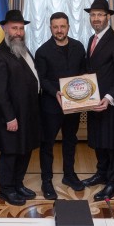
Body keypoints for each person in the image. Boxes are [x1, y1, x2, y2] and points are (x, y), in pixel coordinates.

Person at [0, 9, 41, 206]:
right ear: (5, 29)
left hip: (28, 113)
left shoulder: (22, 49)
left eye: (21, 28)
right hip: (12, 116)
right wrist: (9, 117)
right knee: (11, 153)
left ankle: (18, 184)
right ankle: (6, 189)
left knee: (25, 150)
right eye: (14, 28)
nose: (18, 32)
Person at [80, 0, 114, 201]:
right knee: (99, 141)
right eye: (93, 15)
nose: (96, 18)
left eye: (100, 14)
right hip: (94, 102)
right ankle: (102, 173)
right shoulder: (92, 39)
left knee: (112, 144)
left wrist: (109, 97)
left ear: (108, 17)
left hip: (110, 103)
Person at [34, 12, 86, 197]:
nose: (59, 30)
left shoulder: (79, 47)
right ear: (50, 28)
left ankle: (69, 175)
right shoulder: (42, 51)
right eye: (55, 27)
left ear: (68, 27)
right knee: (47, 143)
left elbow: (83, 73)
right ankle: (46, 180)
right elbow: (42, 79)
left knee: (70, 140)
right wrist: (56, 91)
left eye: (62, 26)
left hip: (74, 105)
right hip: (51, 106)